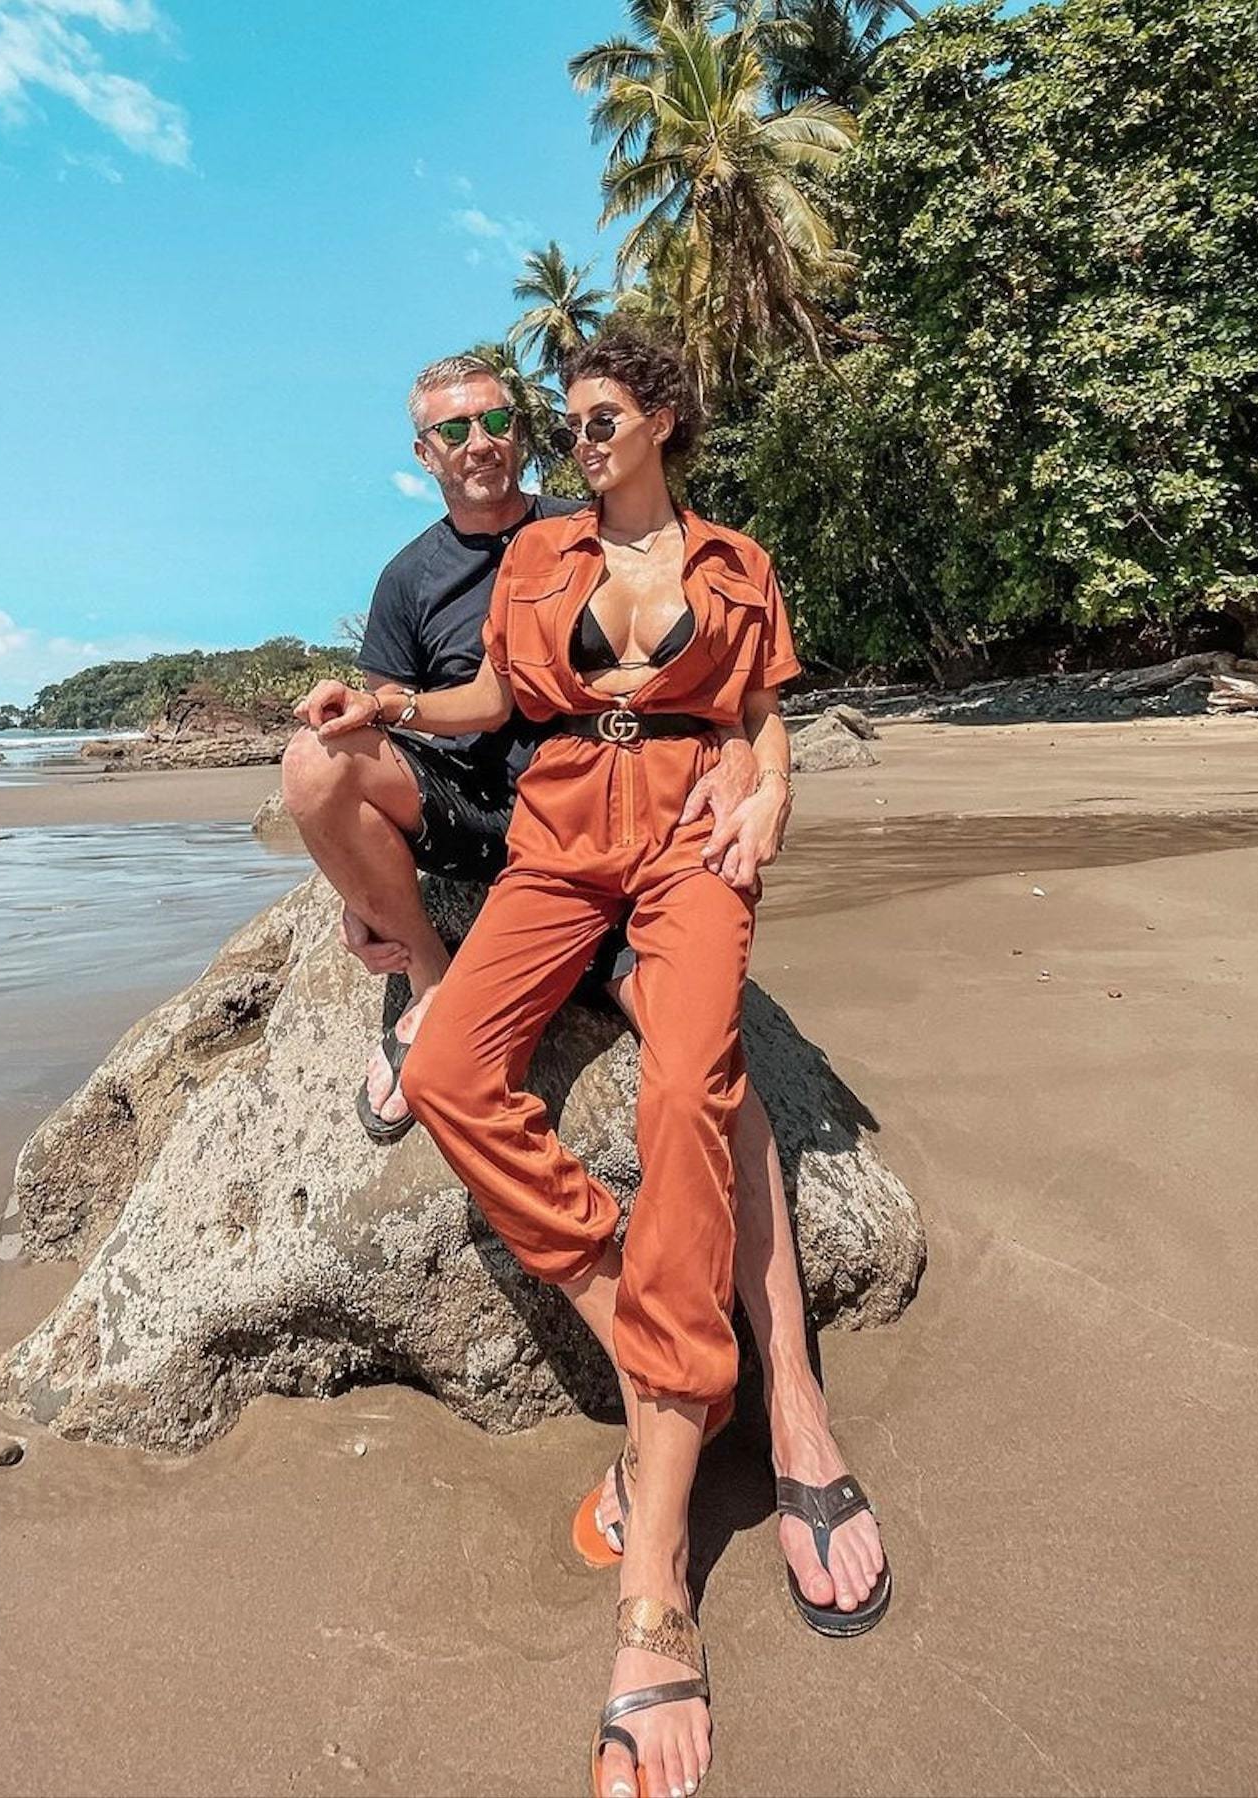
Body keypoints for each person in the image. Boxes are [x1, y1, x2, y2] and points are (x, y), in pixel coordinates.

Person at [295, 334, 891, 1798]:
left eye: (596, 415)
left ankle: (658, 1580)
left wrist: (770, 796)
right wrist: (385, 708)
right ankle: (640, 1312)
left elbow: (758, 714)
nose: (576, 439)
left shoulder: (738, 562)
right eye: (568, 421)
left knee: (691, 1088)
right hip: (561, 833)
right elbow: (493, 704)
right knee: (447, 1071)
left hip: (687, 833)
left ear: (663, 420)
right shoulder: (539, 554)